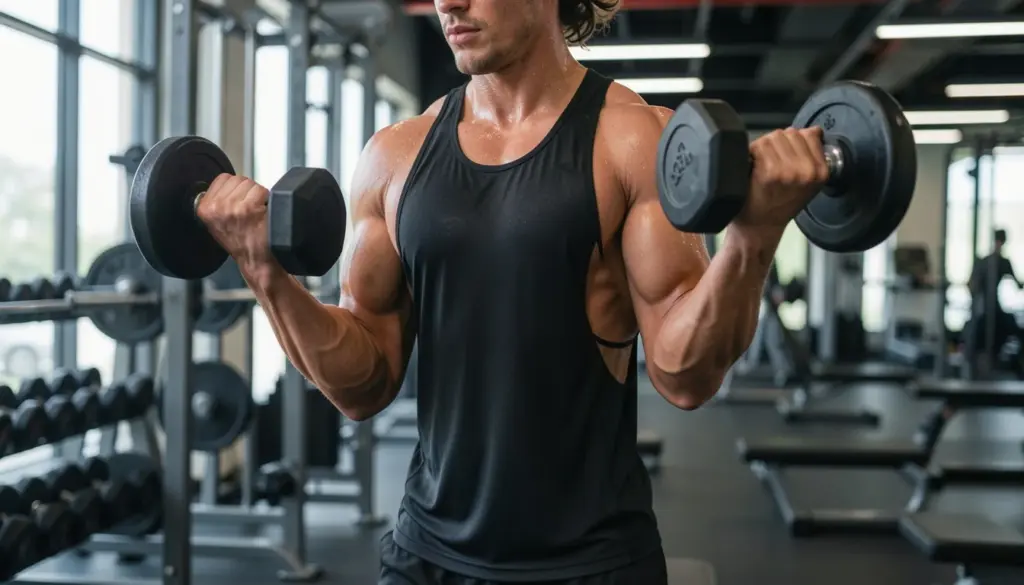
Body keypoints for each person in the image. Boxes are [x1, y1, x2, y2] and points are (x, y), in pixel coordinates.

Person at [195, 1, 829, 582]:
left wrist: (752, 238)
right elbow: (364, 385)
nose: (448, 3)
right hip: (426, 555)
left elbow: (684, 376)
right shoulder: (395, 154)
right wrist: (263, 270)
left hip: (592, 563)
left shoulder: (632, 140)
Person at [967, 228, 1024, 358]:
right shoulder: (999, 262)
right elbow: (1019, 285)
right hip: (987, 309)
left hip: (987, 308)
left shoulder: (987, 261)